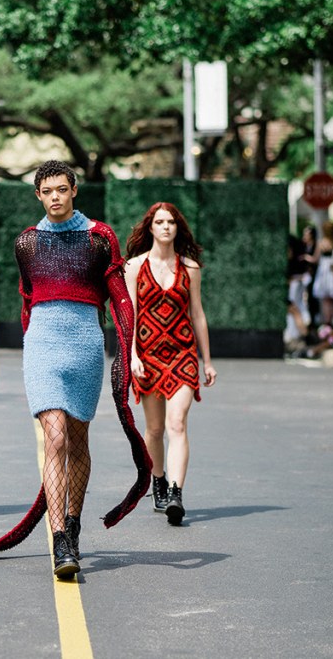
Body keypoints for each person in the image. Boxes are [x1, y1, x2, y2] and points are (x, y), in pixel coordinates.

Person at [0, 160, 150, 580]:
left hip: (86, 346)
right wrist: (30, 346)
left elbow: (120, 300)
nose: (55, 197)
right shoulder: (27, 242)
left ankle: (72, 523)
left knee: (77, 439)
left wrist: (129, 353)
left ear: (74, 190)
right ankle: (59, 540)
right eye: (47, 191)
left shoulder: (100, 237)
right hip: (41, 345)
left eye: (61, 189)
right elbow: (27, 300)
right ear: (38, 195)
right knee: (54, 436)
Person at [124, 201, 216, 525]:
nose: (166, 227)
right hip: (148, 356)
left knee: (177, 423)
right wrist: (132, 355)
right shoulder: (134, 267)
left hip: (182, 355)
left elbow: (198, 314)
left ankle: (176, 493)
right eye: (160, 222)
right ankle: (159, 480)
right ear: (150, 227)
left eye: (171, 222)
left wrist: (207, 361)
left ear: (178, 228)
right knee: (154, 429)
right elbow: (130, 315)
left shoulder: (190, 267)